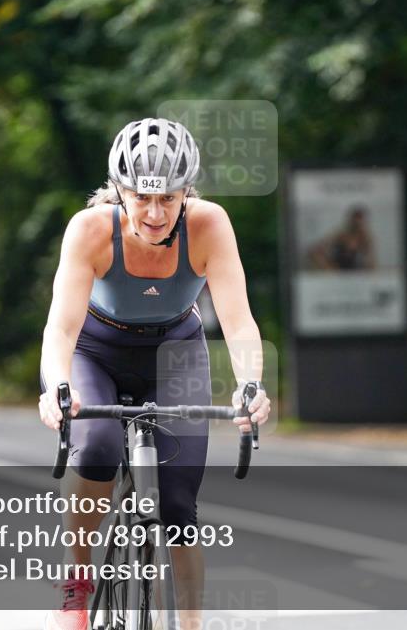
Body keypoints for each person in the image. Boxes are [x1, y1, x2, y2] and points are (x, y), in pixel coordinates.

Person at [38, 118, 271, 630]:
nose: (155, 212)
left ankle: (189, 624)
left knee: (178, 506)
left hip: (176, 351)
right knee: (96, 447)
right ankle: (77, 583)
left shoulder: (209, 225)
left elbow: (238, 321)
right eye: (142, 198)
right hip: (95, 350)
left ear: (188, 192)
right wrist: (57, 385)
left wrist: (250, 385)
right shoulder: (91, 229)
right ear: (119, 191)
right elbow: (60, 328)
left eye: (169, 198)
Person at [307, 205, 376, 271]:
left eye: (359, 223)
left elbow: (371, 259)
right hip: (337, 268)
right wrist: (327, 265)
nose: (357, 224)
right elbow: (317, 248)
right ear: (351, 221)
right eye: (355, 222)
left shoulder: (365, 238)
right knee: (315, 254)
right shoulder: (341, 234)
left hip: (354, 270)